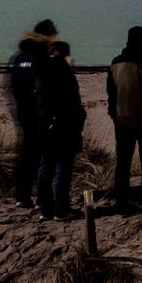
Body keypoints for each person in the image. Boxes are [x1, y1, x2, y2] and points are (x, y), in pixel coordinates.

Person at [5, 19, 57, 209]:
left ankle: (22, 196)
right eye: (53, 36)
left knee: (27, 153)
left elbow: (11, 85)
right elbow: (48, 87)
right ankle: (43, 200)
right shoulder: (42, 57)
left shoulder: (19, 57)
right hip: (40, 114)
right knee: (46, 156)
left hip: (23, 112)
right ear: (48, 36)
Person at [107, 26, 142, 209]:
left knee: (123, 161)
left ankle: (121, 197)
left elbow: (111, 93)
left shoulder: (116, 62)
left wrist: (114, 114)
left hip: (122, 118)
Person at [34, 40, 85, 220]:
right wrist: (79, 120)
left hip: (43, 128)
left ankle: (45, 209)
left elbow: (37, 102)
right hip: (64, 127)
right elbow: (74, 104)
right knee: (63, 168)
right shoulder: (66, 75)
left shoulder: (40, 74)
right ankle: (61, 209)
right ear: (65, 55)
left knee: (45, 168)